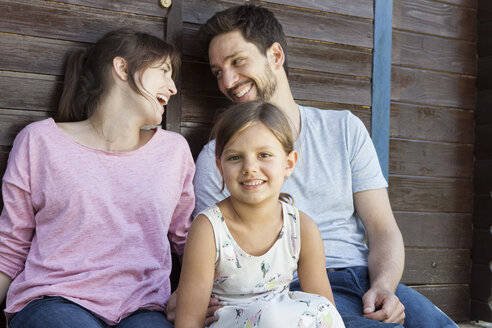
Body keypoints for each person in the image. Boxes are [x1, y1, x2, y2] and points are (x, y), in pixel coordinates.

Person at [187, 4, 459, 328]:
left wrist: (384, 286)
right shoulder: (216, 159)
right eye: (218, 72)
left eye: (237, 61)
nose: (228, 81)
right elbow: (215, 256)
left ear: (275, 56)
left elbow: (383, 228)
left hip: (366, 279)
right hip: (291, 290)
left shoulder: (345, 129)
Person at [0, 28, 195, 327]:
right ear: (122, 67)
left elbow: (189, 241)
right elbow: (10, 246)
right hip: (54, 300)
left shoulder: (174, 152)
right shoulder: (39, 142)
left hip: (145, 309)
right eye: (164, 71)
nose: (172, 88)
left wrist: (190, 298)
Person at [175, 101, 345, 328]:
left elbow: (324, 311)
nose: (249, 167)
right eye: (235, 157)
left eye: (264, 155)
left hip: (282, 321)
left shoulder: (302, 228)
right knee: (272, 319)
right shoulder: (209, 229)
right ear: (220, 167)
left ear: (289, 163)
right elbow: (188, 321)